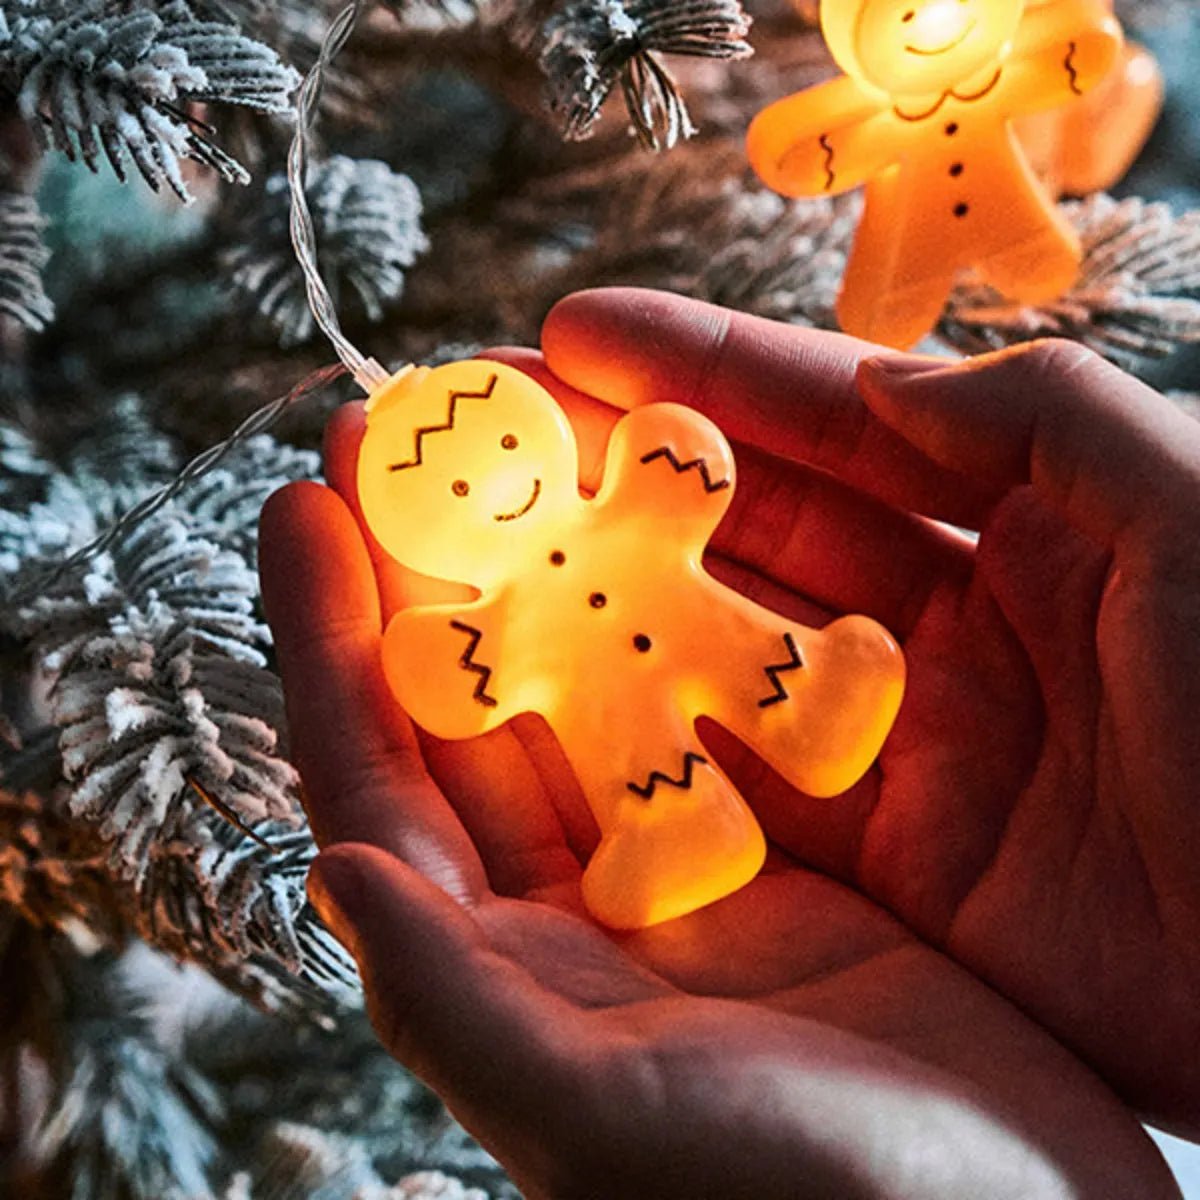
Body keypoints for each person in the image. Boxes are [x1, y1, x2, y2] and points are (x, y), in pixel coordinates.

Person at [258, 288, 1200, 1200]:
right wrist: (453, 658)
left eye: (505, 443)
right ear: (422, 518)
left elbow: (677, 486)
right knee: (642, 771)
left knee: (766, 662)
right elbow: (471, 683)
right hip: (607, 704)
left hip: (702, 623)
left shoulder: (616, 514)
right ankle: (679, 838)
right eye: (457, 487)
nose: (495, 482)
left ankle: (833, 691)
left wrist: (669, 468)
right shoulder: (496, 607)